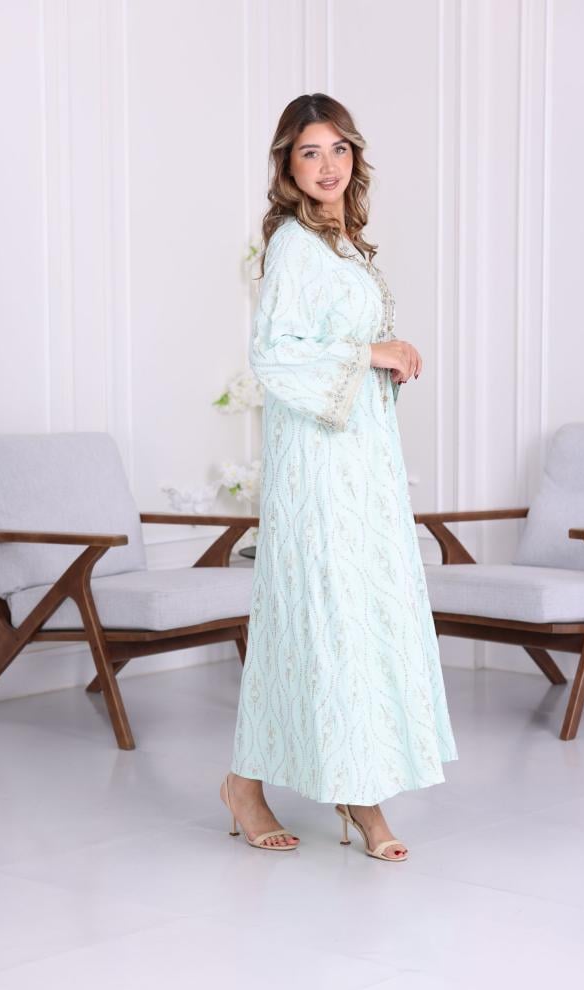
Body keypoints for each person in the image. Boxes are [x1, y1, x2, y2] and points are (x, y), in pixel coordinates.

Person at [220, 93, 458, 861]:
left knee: (359, 614)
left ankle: (354, 790)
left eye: (338, 150)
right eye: (309, 152)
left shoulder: (344, 245)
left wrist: (387, 355)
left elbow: (338, 342)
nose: (327, 166)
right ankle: (277, 790)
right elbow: (274, 353)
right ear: (287, 166)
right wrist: (368, 353)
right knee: (323, 615)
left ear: (354, 157)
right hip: (318, 466)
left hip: (362, 461)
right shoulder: (293, 243)